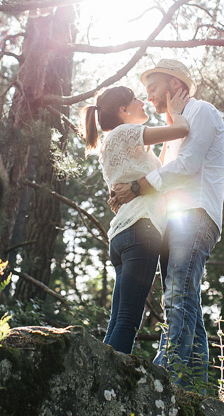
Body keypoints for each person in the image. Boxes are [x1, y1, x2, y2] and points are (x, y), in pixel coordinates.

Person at [108, 58, 224, 392]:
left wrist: (136, 187)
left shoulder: (201, 111)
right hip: (175, 220)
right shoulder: (174, 128)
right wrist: (125, 190)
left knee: (177, 295)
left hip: (197, 215)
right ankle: (195, 390)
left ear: (175, 84)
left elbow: (187, 166)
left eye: (153, 88)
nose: (149, 97)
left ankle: (166, 378)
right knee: (185, 298)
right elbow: (157, 176)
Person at [81, 84, 191, 354]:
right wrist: (174, 112)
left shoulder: (115, 143)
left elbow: (160, 167)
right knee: (129, 320)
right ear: (123, 110)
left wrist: (167, 119)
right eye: (136, 100)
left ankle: (102, 381)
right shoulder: (125, 132)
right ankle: (114, 388)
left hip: (122, 235)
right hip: (141, 229)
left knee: (118, 320)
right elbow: (183, 130)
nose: (143, 102)